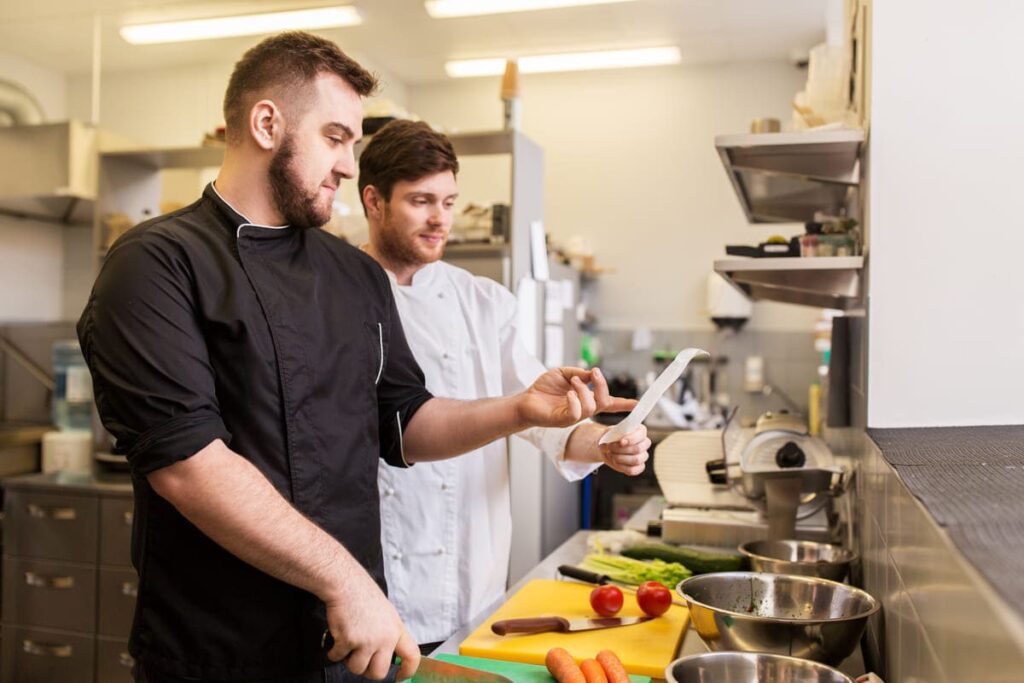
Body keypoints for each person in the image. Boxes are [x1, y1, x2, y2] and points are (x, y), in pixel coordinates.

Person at [77, 32, 634, 683]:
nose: (348, 164)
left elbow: (405, 423)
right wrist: (344, 577)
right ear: (266, 123)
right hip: (220, 650)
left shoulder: (354, 277)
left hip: (352, 645)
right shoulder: (157, 263)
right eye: (336, 136)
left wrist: (519, 408)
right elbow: (188, 463)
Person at [358, 120, 652, 649]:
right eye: (422, 201)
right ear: (373, 201)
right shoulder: (337, 294)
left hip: (473, 575)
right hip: (375, 586)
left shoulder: (483, 302)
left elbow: (543, 419)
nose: (439, 220)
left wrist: (604, 443)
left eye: (448, 202)